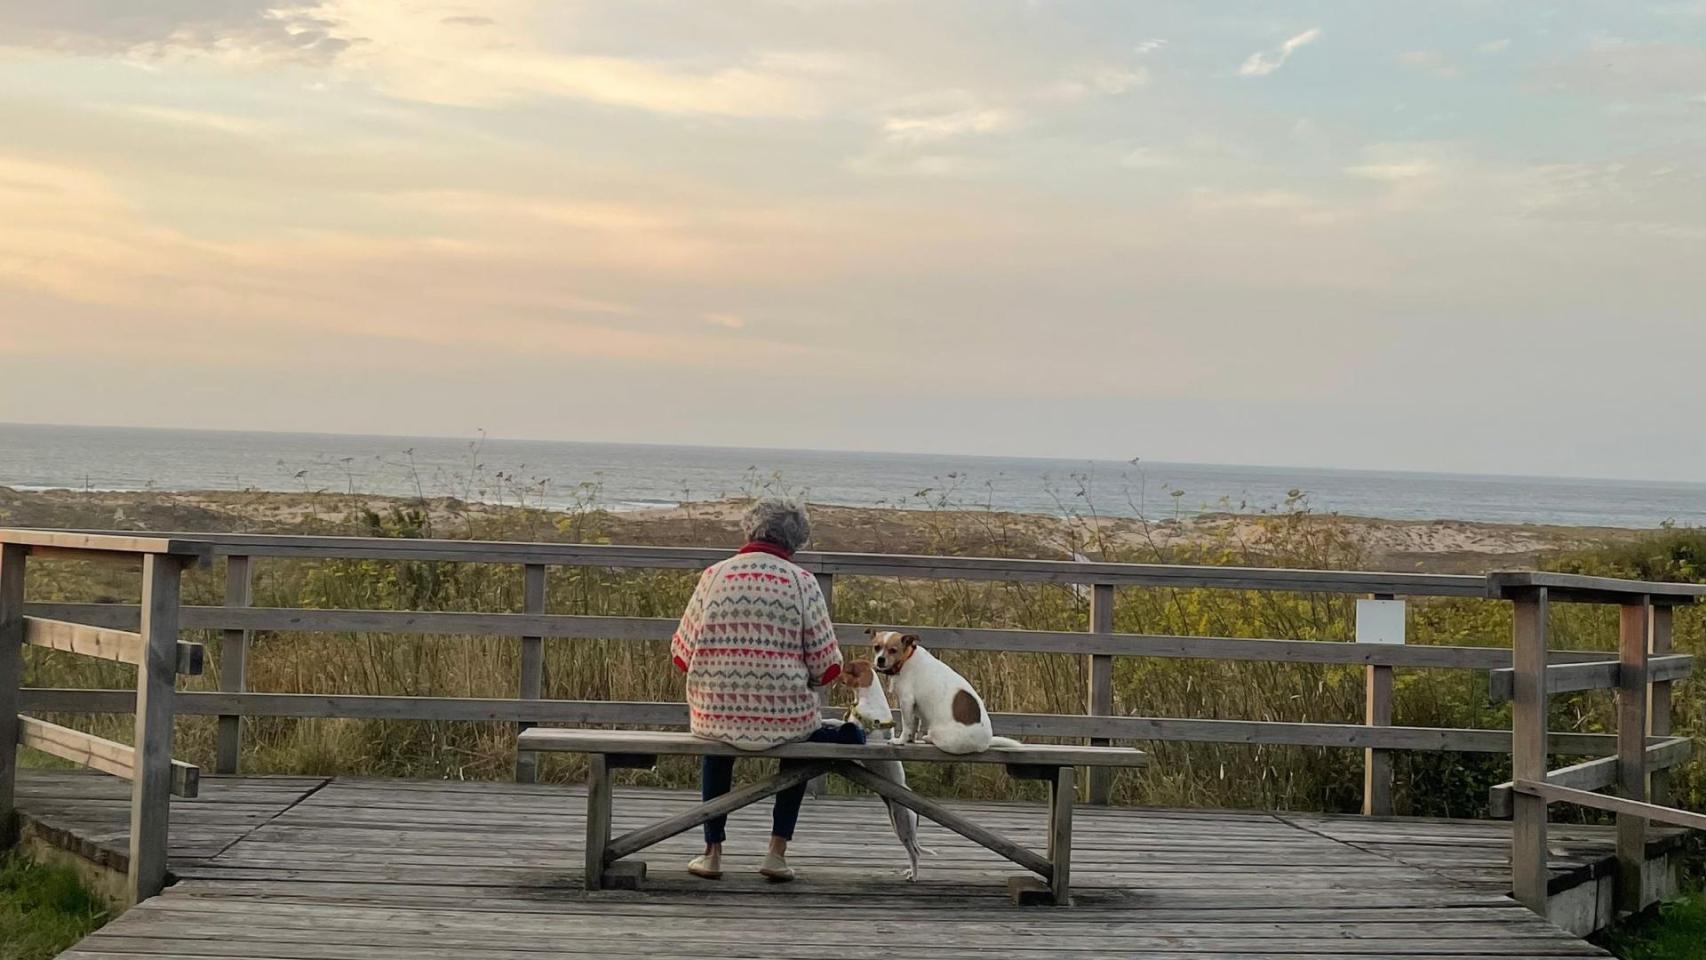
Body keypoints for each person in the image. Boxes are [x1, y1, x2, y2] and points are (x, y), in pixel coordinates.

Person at [670, 498, 863, 882]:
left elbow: (681, 655)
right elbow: (828, 668)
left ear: (750, 529)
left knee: (717, 746)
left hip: (716, 715)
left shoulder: (714, 576)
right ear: (797, 540)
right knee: (801, 746)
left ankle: (712, 853)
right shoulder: (802, 583)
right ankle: (776, 852)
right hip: (786, 720)